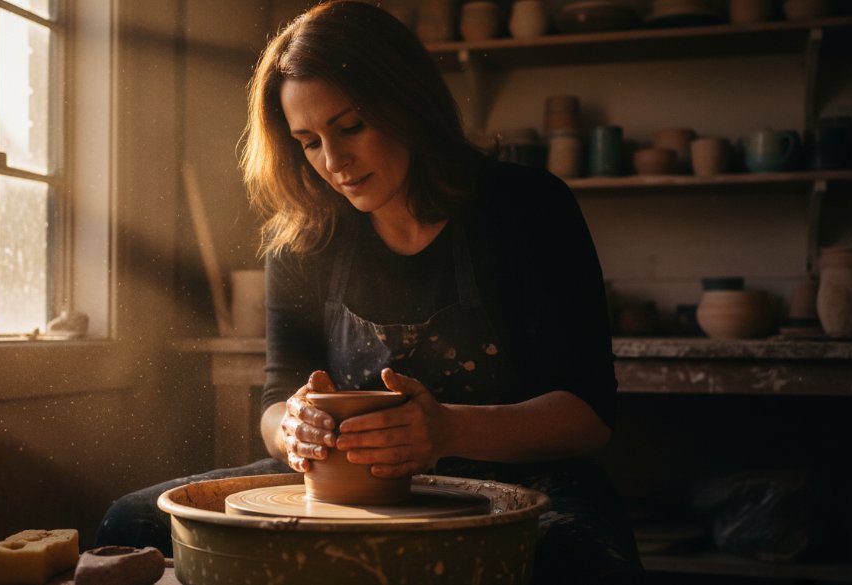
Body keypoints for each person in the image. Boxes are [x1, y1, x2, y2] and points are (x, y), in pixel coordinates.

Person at [97, 2, 644, 582]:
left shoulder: (527, 207)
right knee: (131, 524)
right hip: (349, 480)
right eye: (308, 141)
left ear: (406, 102)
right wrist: (292, 429)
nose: (334, 163)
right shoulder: (305, 236)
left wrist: (448, 430)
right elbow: (278, 396)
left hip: (520, 477)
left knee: (577, 560)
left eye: (350, 126)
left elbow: (588, 417)